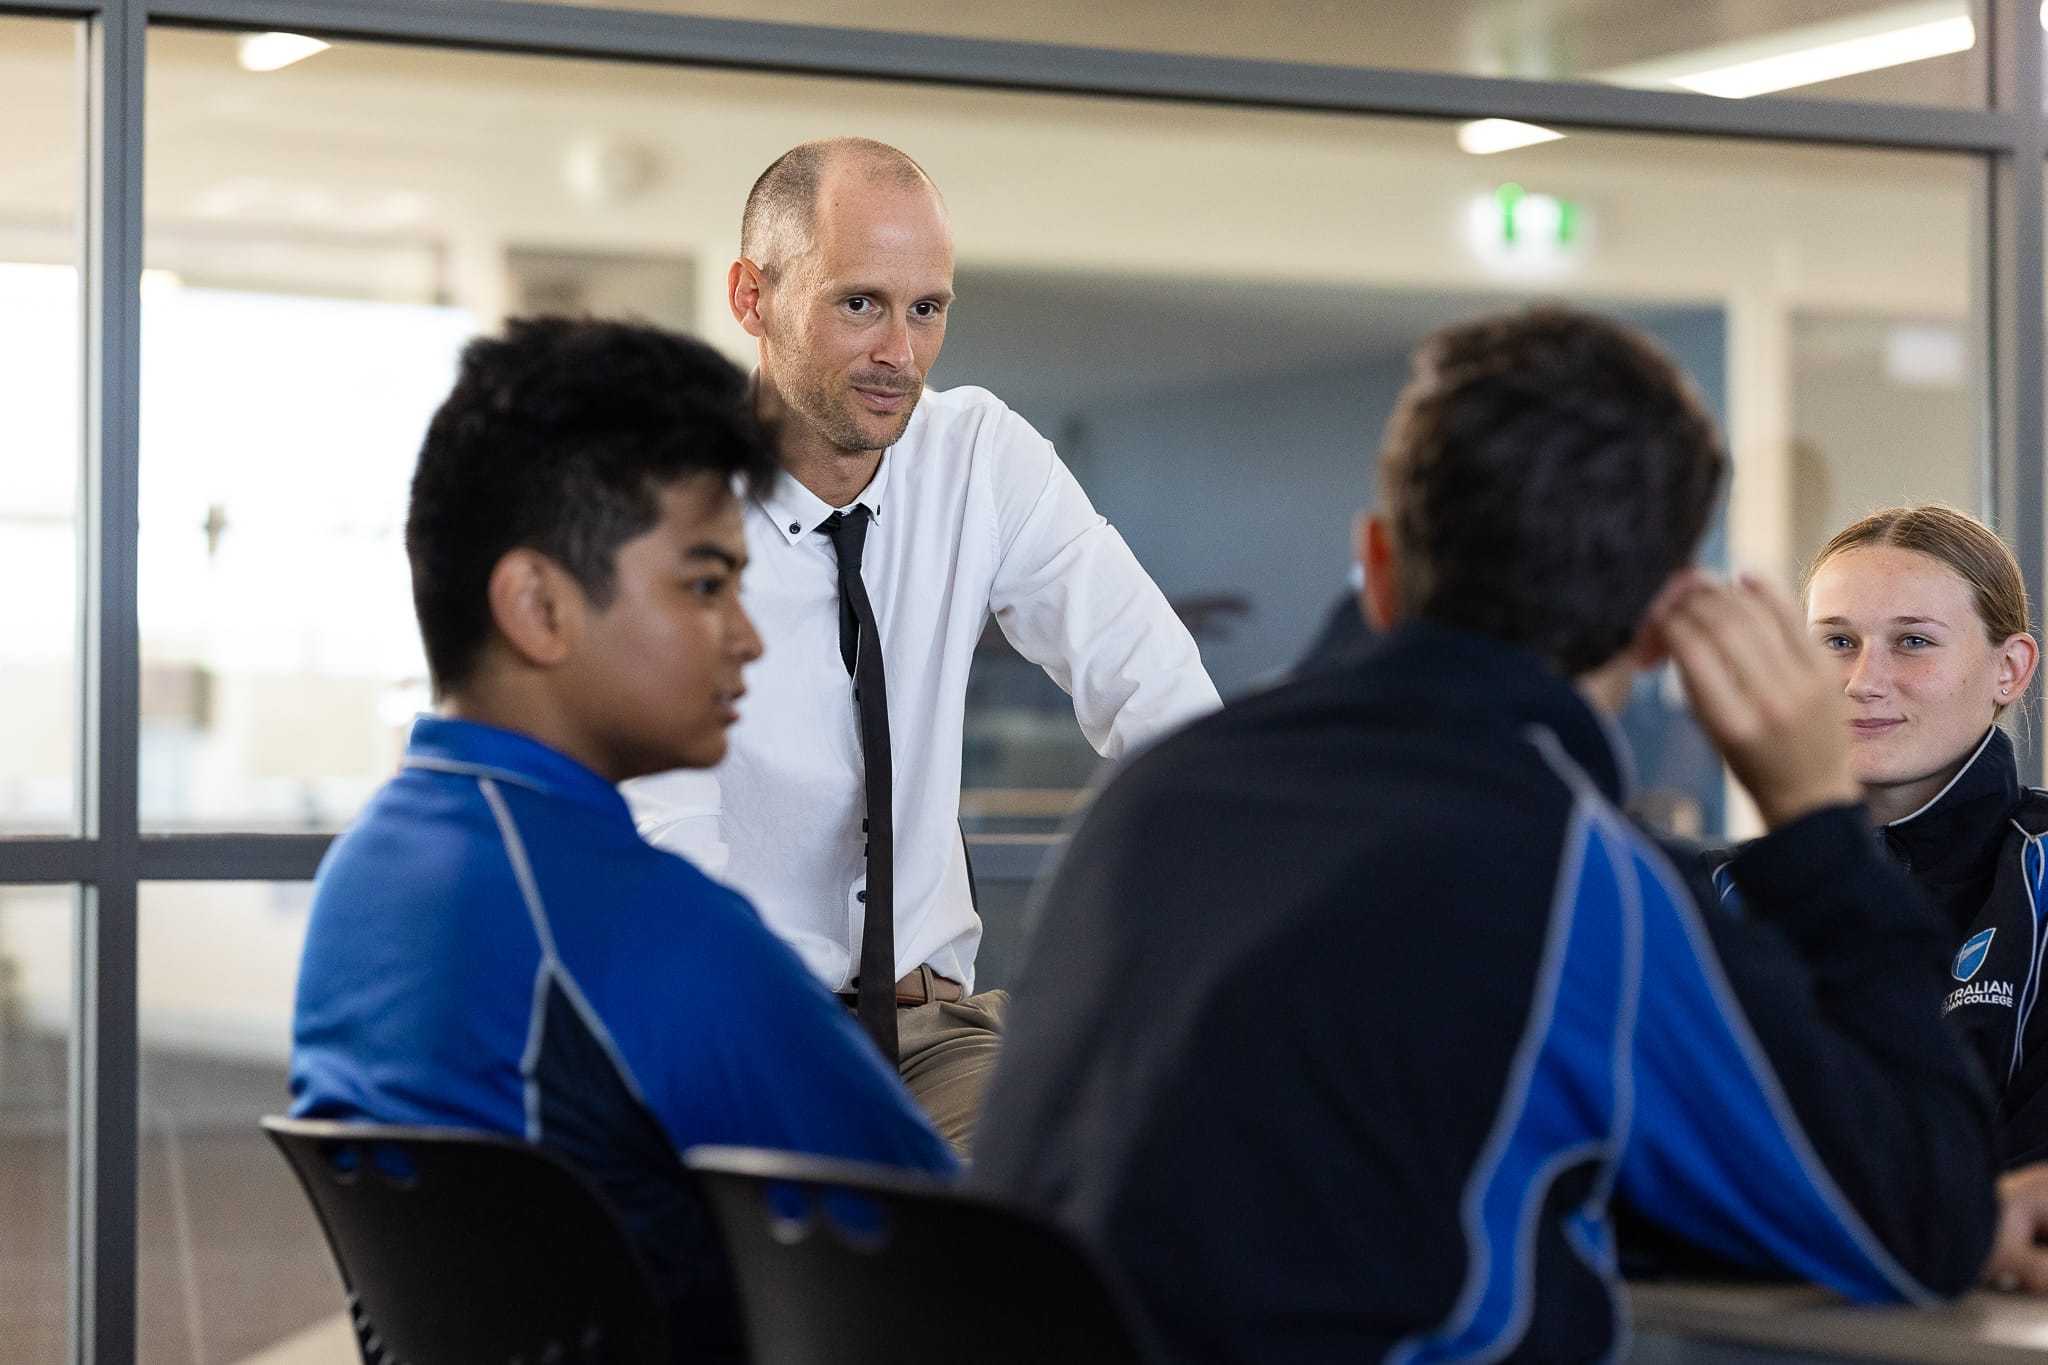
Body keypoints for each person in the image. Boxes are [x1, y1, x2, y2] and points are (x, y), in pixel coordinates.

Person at [970, 306, 1999, 1361]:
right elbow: (1920, 1228)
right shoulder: (1573, 879)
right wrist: (1815, 825)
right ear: (1660, 629)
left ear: (1373, 563)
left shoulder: (1154, 793)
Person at [289, 318, 956, 1359]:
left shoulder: (364, 874)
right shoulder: (646, 927)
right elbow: (950, 1261)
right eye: (702, 584)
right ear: (538, 606)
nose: (746, 635)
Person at [622, 137, 1219, 1151]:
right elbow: (669, 860)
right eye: (859, 303)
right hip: (744, 1029)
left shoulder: (976, 456)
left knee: (1120, 1190)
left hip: (933, 1031)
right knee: (882, 1264)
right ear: (749, 295)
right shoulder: (654, 506)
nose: (899, 352)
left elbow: (1156, 690)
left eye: (926, 308)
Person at [1795, 505, 2048, 1290]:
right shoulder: (1736, 885)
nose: (1863, 681)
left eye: (1913, 641)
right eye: (1837, 641)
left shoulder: (2037, 873)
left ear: (2010, 669)